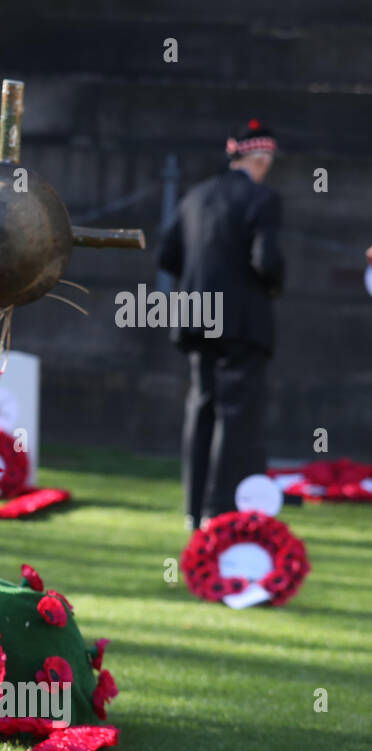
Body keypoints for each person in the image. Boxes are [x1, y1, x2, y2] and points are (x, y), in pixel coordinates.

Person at [157, 119, 285, 530]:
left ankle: (194, 510)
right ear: (261, 158)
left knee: (201, 407)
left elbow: (167, 256)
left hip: (196, 317)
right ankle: (220, 508)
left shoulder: (196, 196)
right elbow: (265, 261)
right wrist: (274, 283)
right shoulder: (262, 199)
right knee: (235, 414)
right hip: (242, 323)